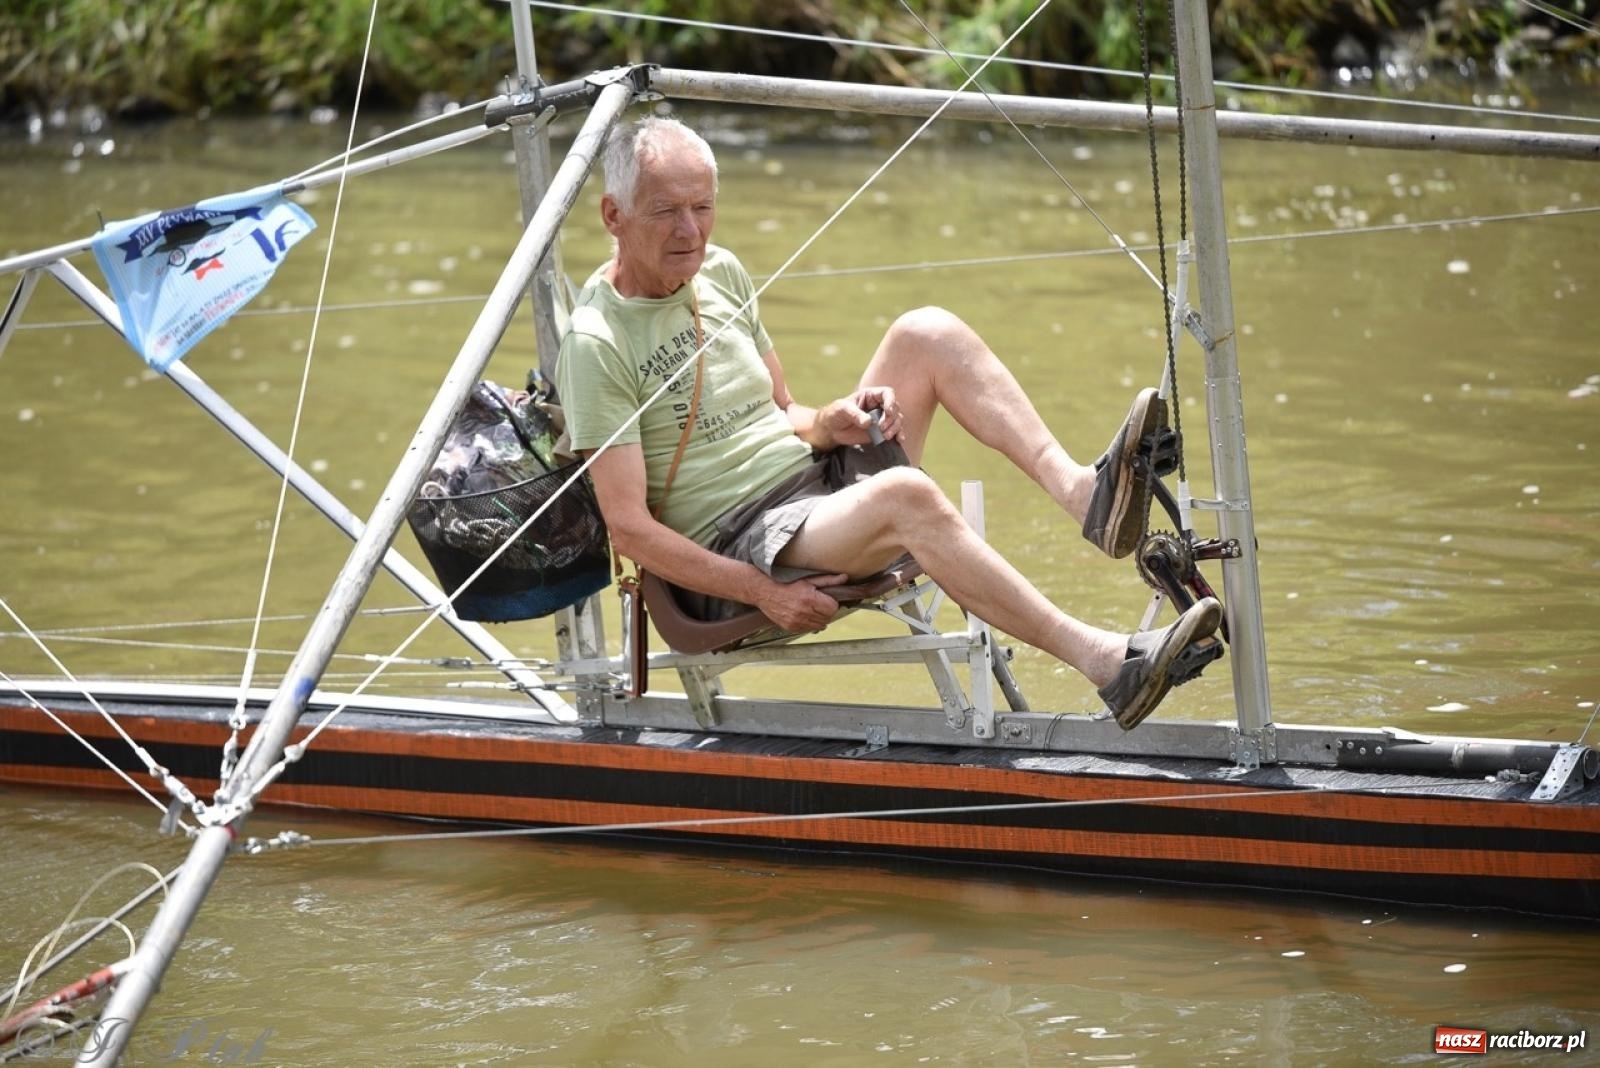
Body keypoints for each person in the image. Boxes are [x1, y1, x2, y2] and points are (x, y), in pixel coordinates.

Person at [555, 117, 1221, 729]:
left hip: (810, 489)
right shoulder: (597, 343)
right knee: (908, 497)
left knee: (926, 332)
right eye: (667, 212)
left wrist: (831, 421)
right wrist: (763, 592)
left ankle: (1085, 495)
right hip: (745, 546)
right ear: (614, 215)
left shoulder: (720, 273)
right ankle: (1110, 664)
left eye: (702, 208)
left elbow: (785, 411)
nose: (691, 233)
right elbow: (630, 528)